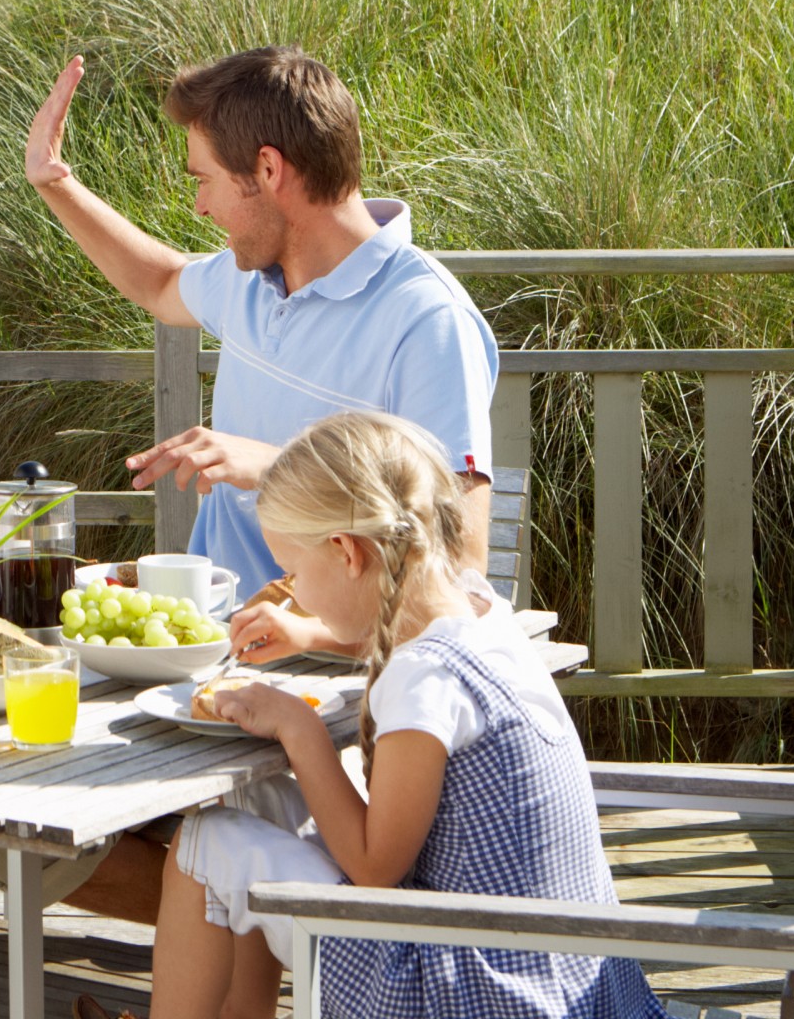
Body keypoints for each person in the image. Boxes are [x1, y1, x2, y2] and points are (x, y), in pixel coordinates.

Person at [126, 411, 660, 1019]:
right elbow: (401, 624)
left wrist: (298, 729)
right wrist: (312, 634)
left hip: (467, 992)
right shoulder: (480, 610)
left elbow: (376, 869)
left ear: (346, 552)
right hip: (553, 977)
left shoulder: (421, 681)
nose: (293, 591)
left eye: (294, 574)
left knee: (205, 841)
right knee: (258, 802)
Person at [23, 46, 501, 615]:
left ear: (269, 170)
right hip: (213, 636)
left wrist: (279, 469)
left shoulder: (428, 321)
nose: (200, 207)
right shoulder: (248, 281)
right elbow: (160, 283)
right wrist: (55, 184)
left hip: (339, 664)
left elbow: (458, 561)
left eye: (204, 179)